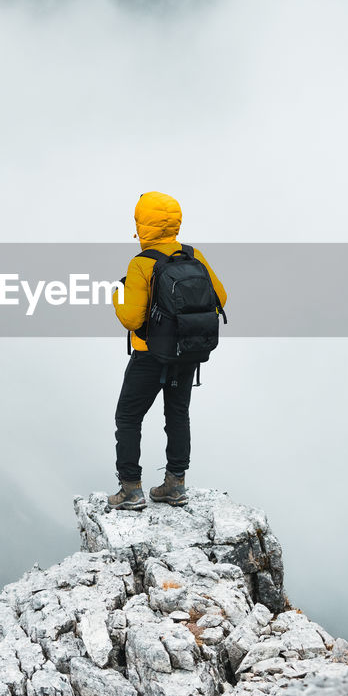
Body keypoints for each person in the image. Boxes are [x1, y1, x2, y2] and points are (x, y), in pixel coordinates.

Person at [108, 192, 227, 511]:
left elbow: (132, 318)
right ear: (175, 222)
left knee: (129, 417)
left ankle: (131, 489)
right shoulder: (193, 255)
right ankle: (175, 484)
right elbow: (221, 299)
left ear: (142, 226)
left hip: (149, 355)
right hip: (186, 353)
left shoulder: (141, 264)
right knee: (177, 414)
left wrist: (118, 296)